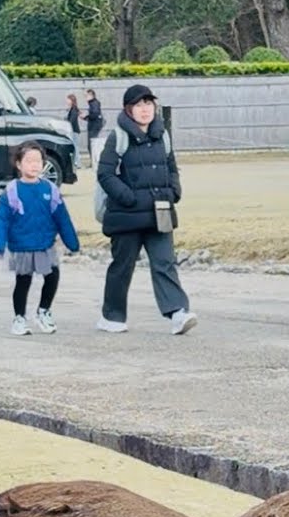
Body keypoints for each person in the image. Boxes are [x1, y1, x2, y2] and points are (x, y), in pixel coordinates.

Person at [96, 84, 197, 335]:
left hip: (159, 212)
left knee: (164, 263)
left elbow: (172, 167)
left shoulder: (162, 135)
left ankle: (177, 312)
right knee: (122, 266)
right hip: (127, 215)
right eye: (139, 105)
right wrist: (128, 198)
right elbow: (105, 174)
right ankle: (112, 316)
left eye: (149, 104)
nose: (145, 110)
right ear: (128, 110)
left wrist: (174, 191)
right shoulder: (117, 137)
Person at [0, 142, 80, 336]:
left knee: (52, 276)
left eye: (38, 161)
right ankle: (19, 318)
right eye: (29, 161)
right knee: (23, 281)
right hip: (21, 245)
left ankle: (43, 311)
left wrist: (72, 242)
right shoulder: (12, 191)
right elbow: (1, 220)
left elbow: (62, 217)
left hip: (45, 243)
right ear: (19, 164)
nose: (34, 165)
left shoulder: (50, 189)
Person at [82, 88, 104, 167]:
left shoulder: (94, 103)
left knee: (92, 145)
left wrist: (86, 116)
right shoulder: (93, 103)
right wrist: (85, 117)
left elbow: (94, 114)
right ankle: (93, 161)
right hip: (93, 125)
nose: (85, 98)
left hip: (94, 126)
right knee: (92, 144)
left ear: (91, 95)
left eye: (86, 96)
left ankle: (94, 162)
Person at [65, 94, 83, 169]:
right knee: (75, 147)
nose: (66, 101)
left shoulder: (74, 110)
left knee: (76, 147)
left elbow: (72, 121)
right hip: (74, 131)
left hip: (74, 131)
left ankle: (78, 163)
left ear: (72, 101)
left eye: (68, 99)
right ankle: (76, 163)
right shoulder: (72, 109)